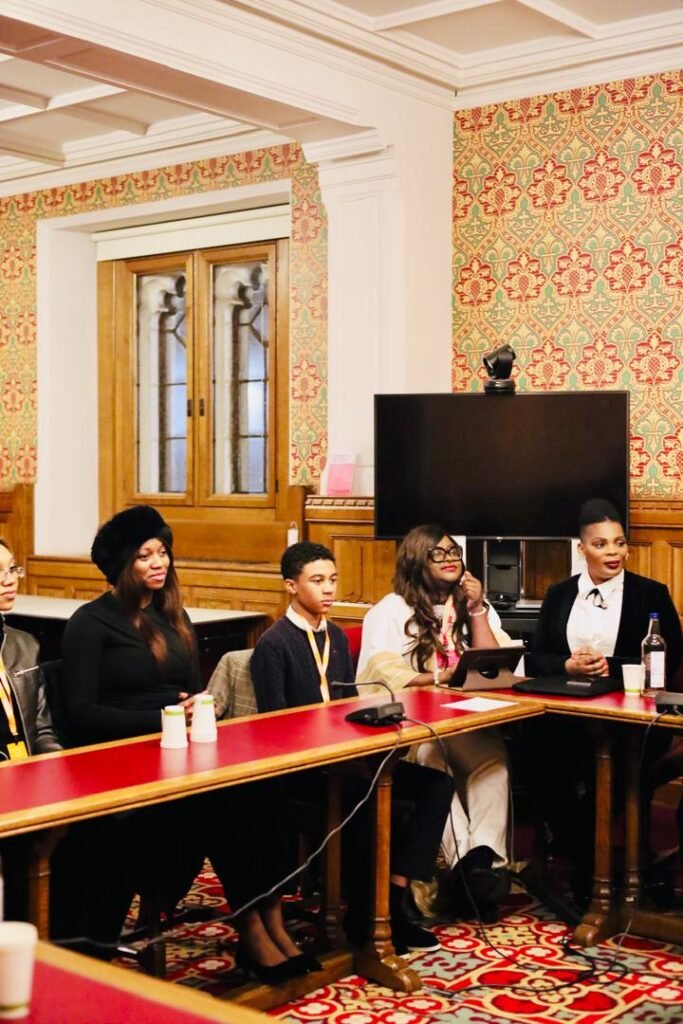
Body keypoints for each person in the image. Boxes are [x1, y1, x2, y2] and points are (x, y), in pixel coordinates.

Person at [61, 505, 312, 982]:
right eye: (144, 555)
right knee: (223, 804)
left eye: (163, 552)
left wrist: (199, 705)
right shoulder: (89, 623)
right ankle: (251, 930)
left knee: (262, 791)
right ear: (122, 564)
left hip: (181, 753)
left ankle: (271, 919)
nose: (159, 563)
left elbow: (189, 689)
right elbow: (82, 714)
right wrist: (163, 718)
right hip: (123, 765)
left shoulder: (173, 617)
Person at [251, 541, 453, 955]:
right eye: (317, 581)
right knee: (365, 798)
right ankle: (364, 917)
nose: (328, 589)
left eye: (333, 579)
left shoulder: (337, 638)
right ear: (291, 586)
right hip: (303, 772)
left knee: (436, 785)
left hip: (344, 759)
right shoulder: (274, 644)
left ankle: (392, 903)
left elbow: (344, 706)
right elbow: (274, 728)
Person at [526, 498, 683, 902]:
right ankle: (586, 858)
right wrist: (568, 664)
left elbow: (669, 658)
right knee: (535, 757)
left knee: (612, 765)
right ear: (582, 550)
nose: (613, 552)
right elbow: (536, 657)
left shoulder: (651, 594)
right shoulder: (559, 593)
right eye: (600, 545)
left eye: (619, 543)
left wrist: (608, 666)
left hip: (631, 718)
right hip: (566, 714)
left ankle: (588, 874)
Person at [356, 524, 512, 922]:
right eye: (437, 554)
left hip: (465, 720)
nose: (449, 559)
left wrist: (477, 610)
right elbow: (380, 674)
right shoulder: (391, 610)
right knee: (431, 760)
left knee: (492, 760)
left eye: (453, 552)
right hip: (416, 727)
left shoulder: (470, 605)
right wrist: (439, 678)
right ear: (416, 561)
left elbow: (494, 665)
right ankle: (466, 867)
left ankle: (480, 862)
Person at [0, 537, 63, 920]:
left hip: (24, 780)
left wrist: (58, 773)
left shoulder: (24, 646)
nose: (8, 580)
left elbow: (41, 730)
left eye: (11, 569)